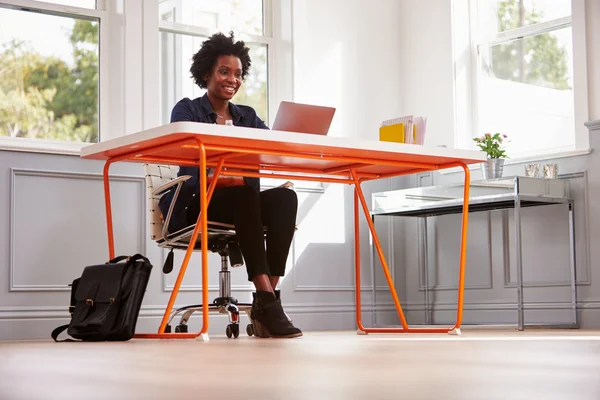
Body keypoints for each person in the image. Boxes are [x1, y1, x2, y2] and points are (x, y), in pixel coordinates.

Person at [158, 32, 302, 339]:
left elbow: (274, 148)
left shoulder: (247, 117)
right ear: (207, 73)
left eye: (238, 74)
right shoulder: (187, 110)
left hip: (241, 201)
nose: (232, 79)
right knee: (244, 196)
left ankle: (266, 299)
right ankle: (269, 304)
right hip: (198, 201)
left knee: (285, 200)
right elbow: (187, 153)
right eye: (224, 72)